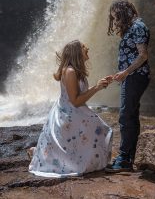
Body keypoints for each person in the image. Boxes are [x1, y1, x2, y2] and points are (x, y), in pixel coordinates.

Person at [28, 40, 113, 178]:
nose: (88, 48)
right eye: (85, 47)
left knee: (100, 128)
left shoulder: (75, 71)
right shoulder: (70, 71)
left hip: (75, 110)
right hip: (68, 113)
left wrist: (99, 85)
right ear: (77, 52)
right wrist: (96, 88)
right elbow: (75, 101)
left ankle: (38, 153)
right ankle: (38, 154)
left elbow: (79, 98)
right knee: (100, 128)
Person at [105, 0, 150, 173]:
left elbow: (143, 55)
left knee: (125, 116)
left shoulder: (138, 27)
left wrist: (126, 72)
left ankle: (124, 159)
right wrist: (122, 73)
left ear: (123, 12)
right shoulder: (133, 27)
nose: (114, 20)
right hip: (131, 76)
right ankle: (129, 157)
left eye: (115, 16)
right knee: (130, 116)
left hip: (136, 76)